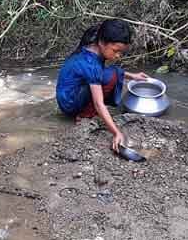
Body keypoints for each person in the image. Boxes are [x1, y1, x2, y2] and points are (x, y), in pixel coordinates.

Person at [56, 19, 149, 150]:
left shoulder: (93, 45)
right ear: (102, 42)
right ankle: (82, 117)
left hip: (69, 95)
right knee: (112, 76)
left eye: (121, 52)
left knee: (114, 71)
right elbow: (99, 104)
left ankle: (85, 110)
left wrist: (133, 76)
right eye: (115, 50)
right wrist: (116, 132)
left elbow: (102, 71)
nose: (118, 55)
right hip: (69, 104)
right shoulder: (90, 64)